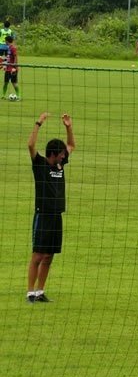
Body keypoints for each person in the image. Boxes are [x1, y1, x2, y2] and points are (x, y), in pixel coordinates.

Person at [27, 112, 76, 303]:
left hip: (56, 216)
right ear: (53, 154)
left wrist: (68, 127)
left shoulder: (60, 165)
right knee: (38, 255)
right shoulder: (39, 164)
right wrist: (38, 123)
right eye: (61, 153)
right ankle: (30, 292)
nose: (64, 155)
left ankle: (40, 291)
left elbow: (72, 145)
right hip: (43, 215)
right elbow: (31, 145)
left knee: (49, 256)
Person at [3, 35, 20, 100]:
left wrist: (14, 67)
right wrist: (4, 65)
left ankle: (18, 95)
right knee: (5, 82)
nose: (5, 42)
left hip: (12, 68)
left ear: (7, 41)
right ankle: (3, 95)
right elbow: (8, 58)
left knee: (14, 82)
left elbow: (16, 57)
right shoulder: (9, 48)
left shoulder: (13, 48)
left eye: (5, 41)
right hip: (8, 68)